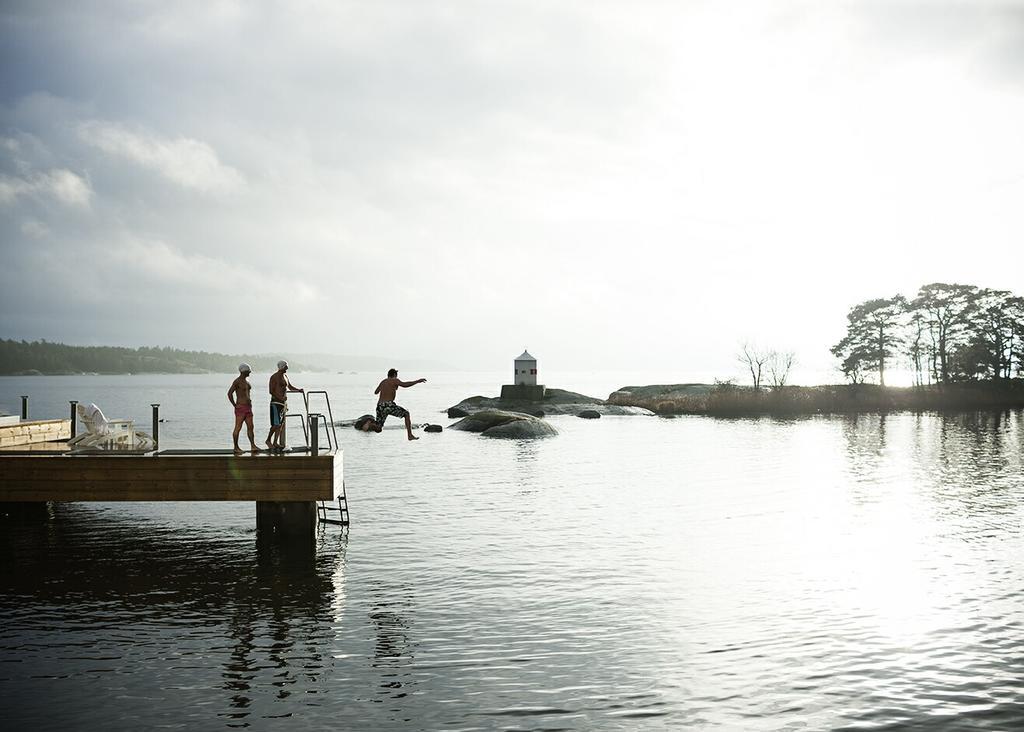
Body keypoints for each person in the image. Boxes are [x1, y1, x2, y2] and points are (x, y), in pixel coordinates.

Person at [374, 368, 426, 441]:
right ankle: (410, 435)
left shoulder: (383, 382)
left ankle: (369, 424)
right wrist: (417, 381)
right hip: (388, 405)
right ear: (394, 375)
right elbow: (405, 385)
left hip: (379, 406)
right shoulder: (395, 380)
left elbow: (376, 392)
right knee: (406, 414)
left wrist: (384, 388)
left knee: (378, 428)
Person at [266, 360, 304, 450]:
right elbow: (271, 391)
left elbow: (290, 387)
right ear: (282, 367)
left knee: (281, 424)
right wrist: (280, 398)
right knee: (276, 424)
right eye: (286, 366)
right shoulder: (274, 377)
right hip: (275, 403)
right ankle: (268, 440)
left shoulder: (285, 376)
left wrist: (299, 390)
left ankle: (275, 442)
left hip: (283, 404)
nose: (287, 368)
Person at [228, 363, 262, 455]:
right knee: (238, 428)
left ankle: (253, 445)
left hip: (248, 408)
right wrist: (235, 405)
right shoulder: (237, 381)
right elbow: (229, 393)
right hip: (240, 408)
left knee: (251, 427)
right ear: (244, 371)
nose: (250, 372)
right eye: (249, 371)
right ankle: (236, 447)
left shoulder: (247, 381)